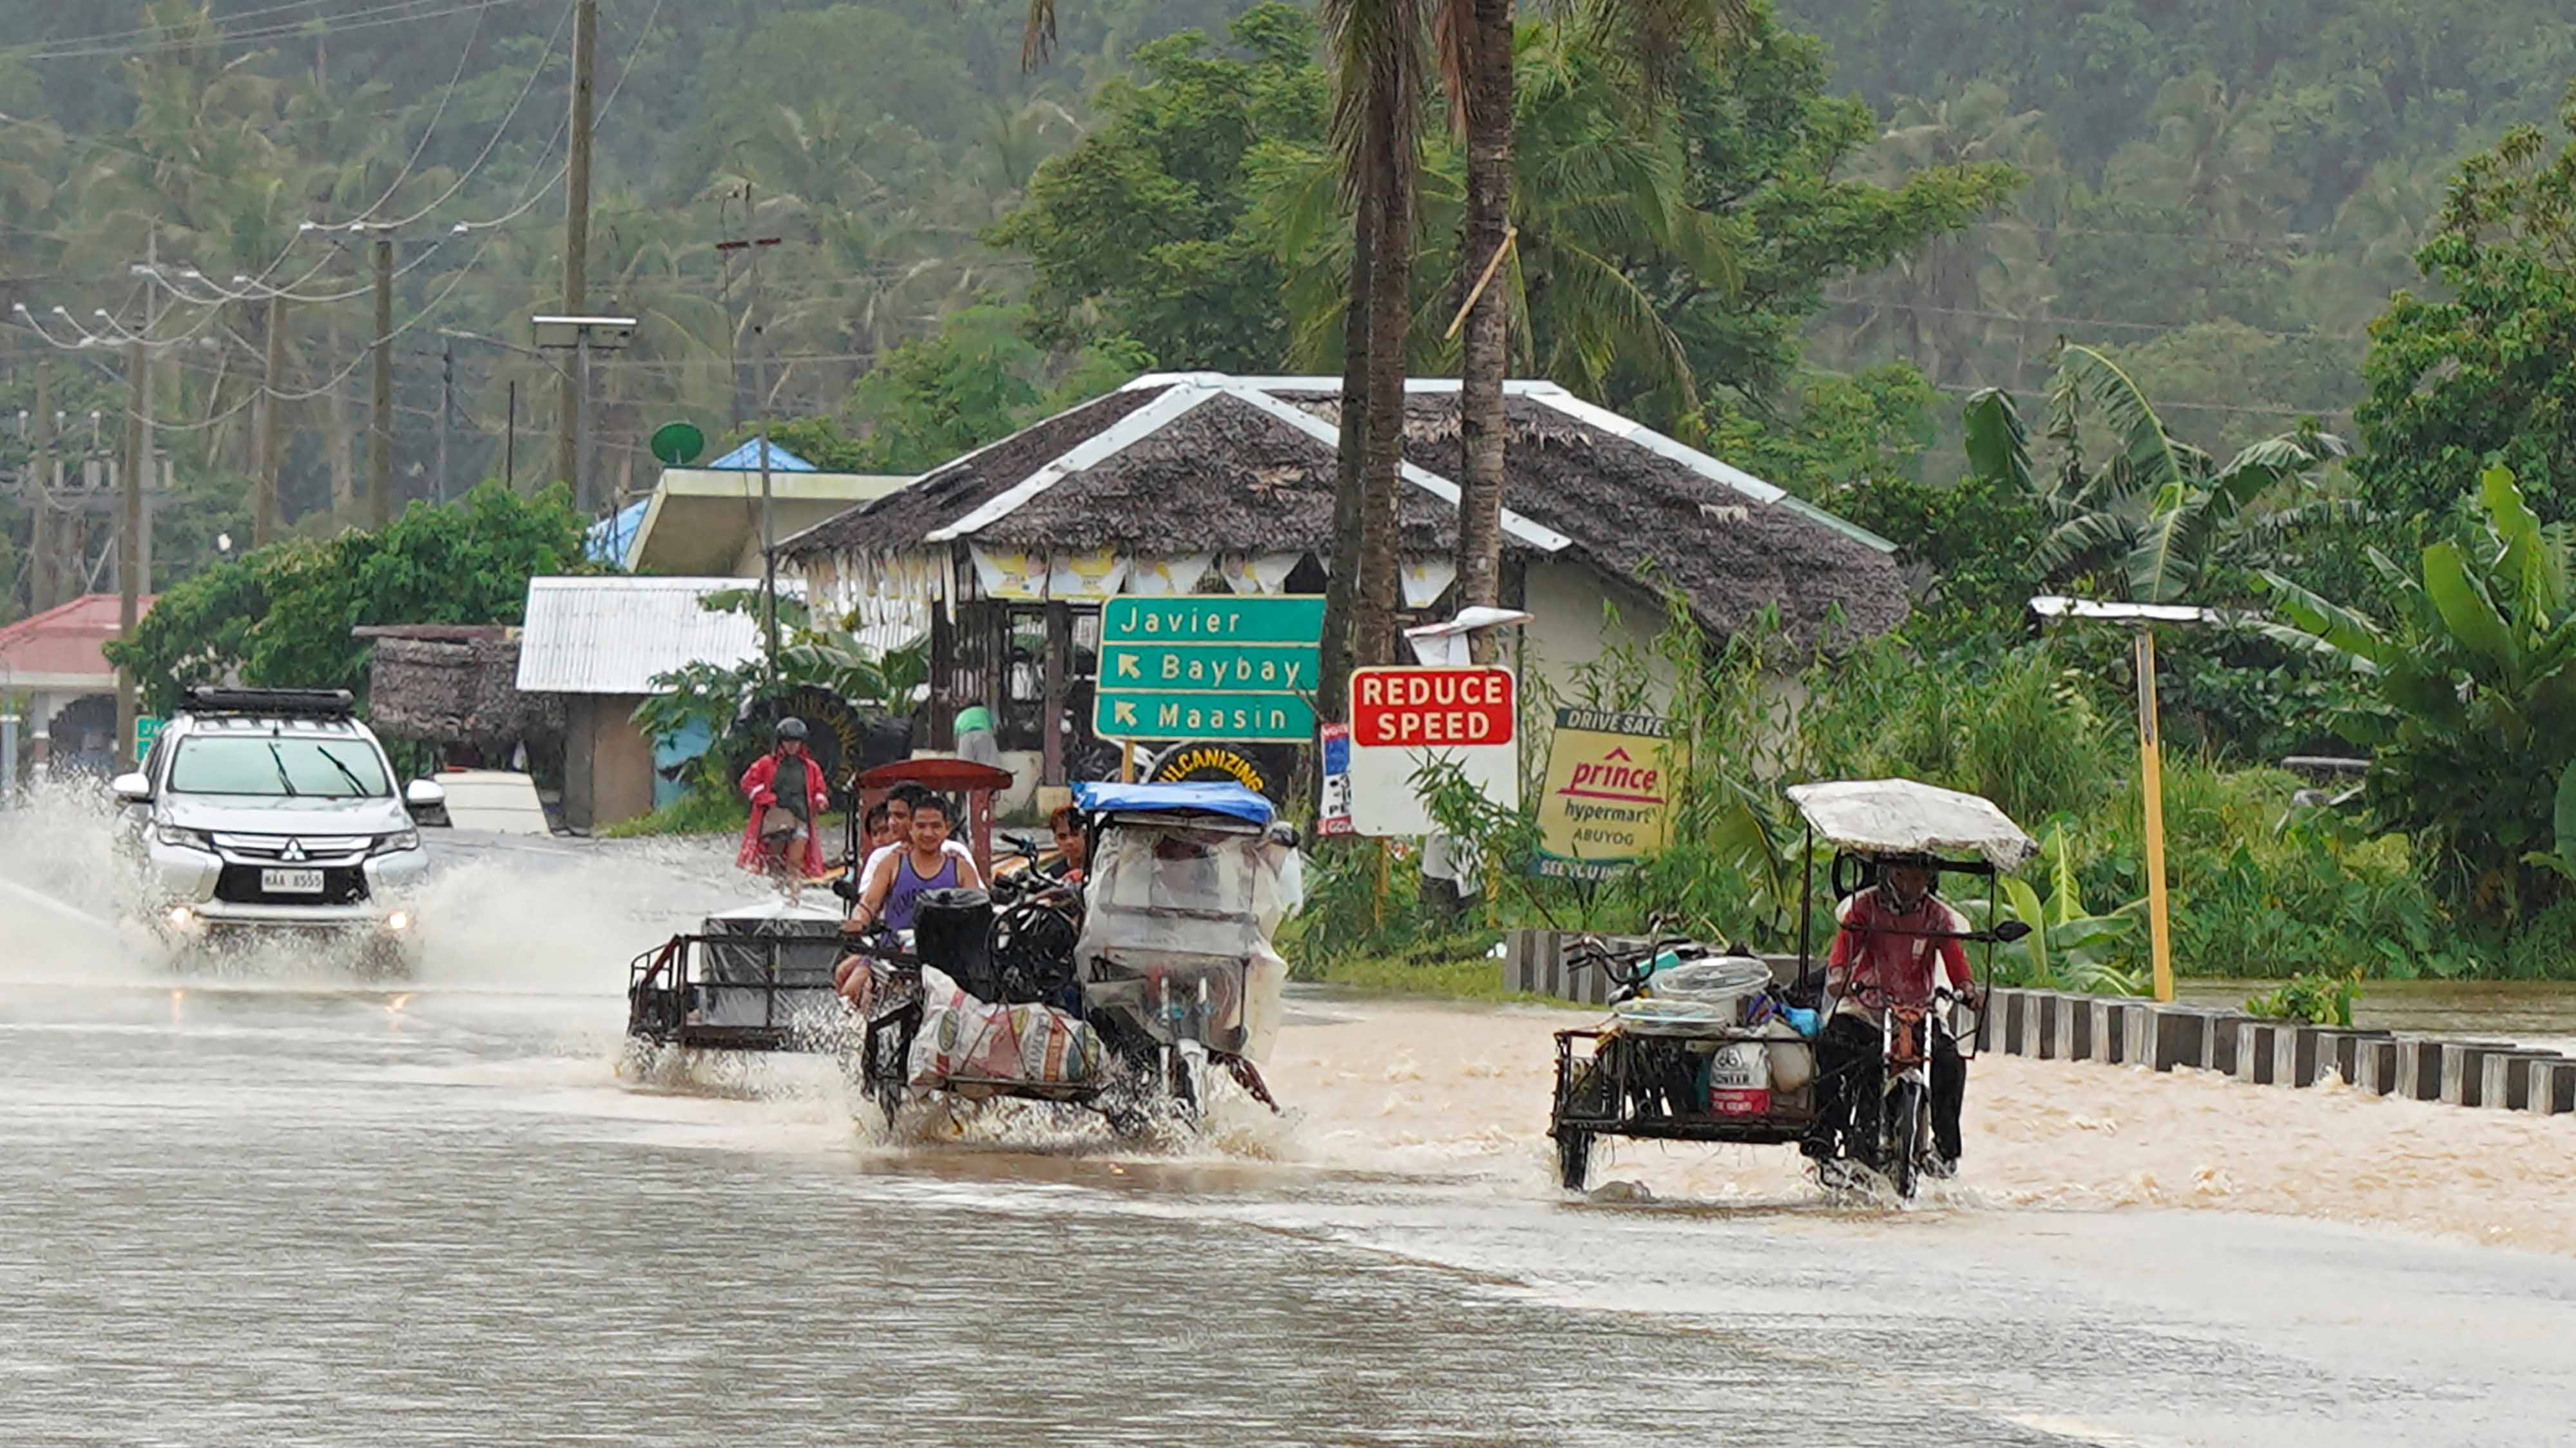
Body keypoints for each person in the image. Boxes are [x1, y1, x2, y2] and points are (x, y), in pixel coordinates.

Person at [1802, 857, 1979, 1178]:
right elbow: (1842, 955)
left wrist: (1967, 989)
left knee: (1950, 1062)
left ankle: (1946, 1150)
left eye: (1918, 878)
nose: (1911, 886)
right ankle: (1825, 1136)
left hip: (1919, 1009)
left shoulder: (1937, 917)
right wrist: (1839, 976)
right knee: (1832, 1047)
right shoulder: (1864, 909)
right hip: (1867, 1008)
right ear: (1889, 874)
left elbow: (1956, 963)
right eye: (1903, 876)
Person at [736, 719, 830, 888]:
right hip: (776, 818)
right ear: (780, 742)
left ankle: (793, 900)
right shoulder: (766, 763)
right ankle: (777, 894)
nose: (792, 746)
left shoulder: (810, 767)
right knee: (775, 861)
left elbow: (819, 789)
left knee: (795, 862)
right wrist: (767, 798)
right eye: (788, 741)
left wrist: (820, 800)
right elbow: (747, 783)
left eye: (796, 741)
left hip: (801, 818)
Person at [1048, 804, 1088, 884]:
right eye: (1062, 837)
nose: (1069, 842)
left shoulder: (1100, 868)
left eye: (1075, 834)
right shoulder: (1052, 876)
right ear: (1056, 840)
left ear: (1085, 834)